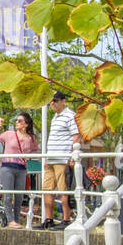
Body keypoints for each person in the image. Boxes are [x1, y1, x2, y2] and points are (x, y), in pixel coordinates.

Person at [0, 112, 38, 227]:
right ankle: (11, 221)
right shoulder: (9, 134)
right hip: (7, 167)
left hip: (22, 169)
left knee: (19, 196)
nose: (17, 122)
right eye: (16, 120)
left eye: (19, 120)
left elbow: (35, 149)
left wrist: (28, 157)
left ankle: (16, 220)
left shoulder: (32, 138)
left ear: (26, 124)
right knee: (8, 195)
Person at [42, 92, 79, 229]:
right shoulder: (55, 118)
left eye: (55, 101)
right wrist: (47, 158)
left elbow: (76, 136)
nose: (52, 103)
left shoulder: (70, 116)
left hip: (62, 158)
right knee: (47, 189)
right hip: (51, 159)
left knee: (64, 189)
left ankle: (66, 219)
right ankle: (48, 219)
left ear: (63, 101)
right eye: (51, 101)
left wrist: (72, 156)